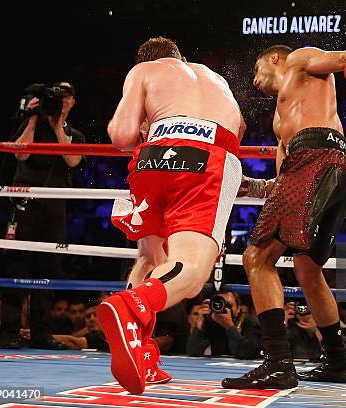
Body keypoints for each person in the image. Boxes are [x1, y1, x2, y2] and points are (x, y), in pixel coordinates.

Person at [223, 45, 346, 389]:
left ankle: (277, 364)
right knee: (307, 268)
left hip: (316, 158)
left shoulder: (300, 61)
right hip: (333, 169)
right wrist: (252, 186)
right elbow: (282, 184)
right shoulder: (280, 119)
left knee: (257, 257)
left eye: (256, 70)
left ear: (274, 59)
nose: (254, 82)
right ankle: (337, 361)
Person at [99, 36, 245, 395]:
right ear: (182, 57)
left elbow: (121, 135)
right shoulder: (214, 78)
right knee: (192, 272)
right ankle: (130, 306)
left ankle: (144, 353)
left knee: (151, 257)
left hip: (152, 159)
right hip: (208, 158)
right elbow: (238, 130)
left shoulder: (143, 71)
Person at [0, 81, 84, 350]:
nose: (61, 100)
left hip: (54, 210)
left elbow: (72, 160)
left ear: (72, 102)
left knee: (48, 270)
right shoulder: (28, 126)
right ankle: (9, 332)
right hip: (23, 206)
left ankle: (41, 334)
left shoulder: (74, 134)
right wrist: (33, 119)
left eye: (65, 96)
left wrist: (58, 125)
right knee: (15, 268)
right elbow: (21, 156)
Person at [186, 291, 261, 359]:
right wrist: (200, 322)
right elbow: (193, 352)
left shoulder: (249, 321)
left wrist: (229, 326)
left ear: (238, 308)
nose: (224, 308)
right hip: (217, 369)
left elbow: (247, 353)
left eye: (229, 305)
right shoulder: (212, 320)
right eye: (220, 304)